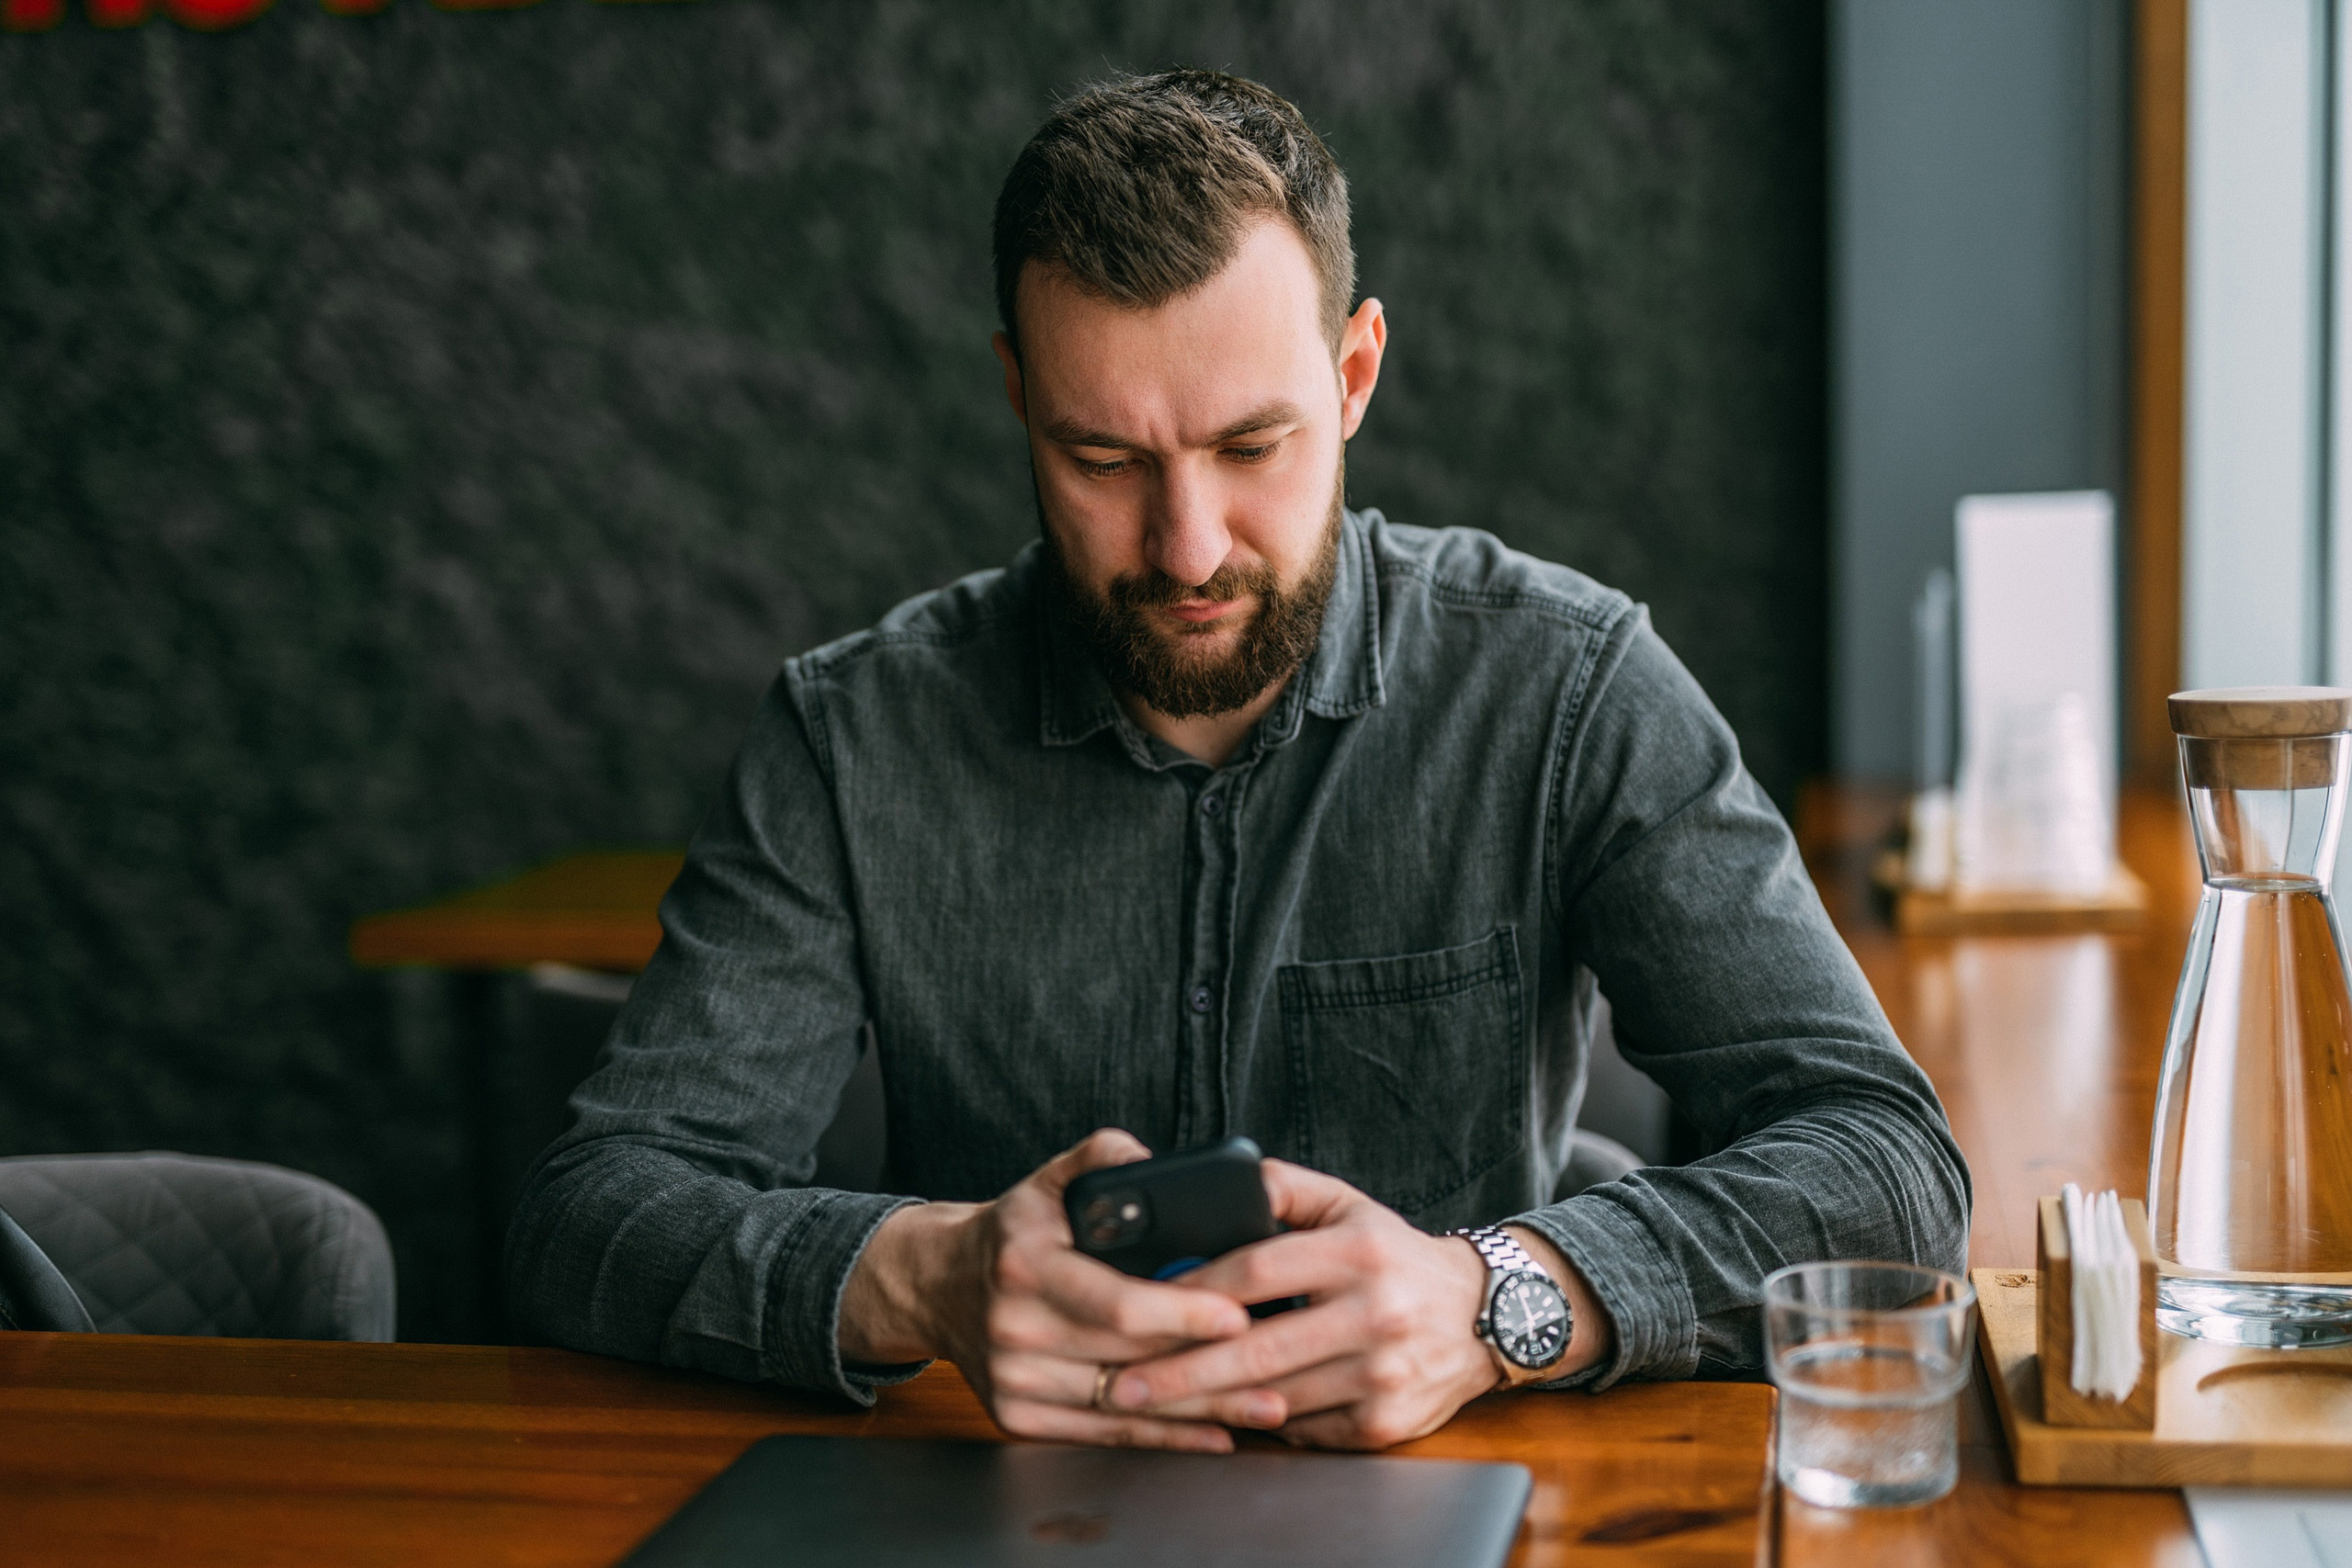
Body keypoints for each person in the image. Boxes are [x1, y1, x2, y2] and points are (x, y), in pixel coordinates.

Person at [508, 69, 1969, 1454]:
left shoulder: (1566, 690)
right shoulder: (853, 737)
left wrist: (1498, 1299)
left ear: (1354, 375)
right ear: (1019, 398)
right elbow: (591, 1211)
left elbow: (1890, 1167)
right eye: (1105, 462)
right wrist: (928, 1277)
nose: (1188, 546)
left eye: (1251, 446)